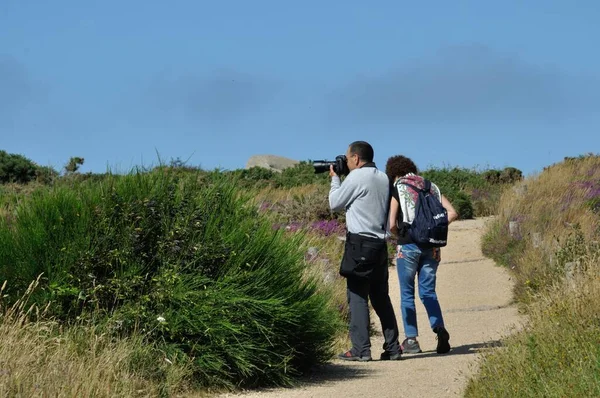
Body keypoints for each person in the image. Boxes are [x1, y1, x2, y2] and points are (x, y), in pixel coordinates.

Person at [329, 141, 401, 361]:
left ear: (356, 159)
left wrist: (335, 179)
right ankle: (393, 348)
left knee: (357, 295)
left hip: (359, 244)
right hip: (380, 245)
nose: (347, 162)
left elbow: (334, 203)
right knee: (381, 297)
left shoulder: (357, 177)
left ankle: (361, 350)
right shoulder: (383, 178)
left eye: (348, 158)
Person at [385, 155, 459, 354]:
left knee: (407, 294)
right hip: (432, 247)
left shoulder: (398, 187)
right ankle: (439, 328)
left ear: (393, 173)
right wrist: (432, 231)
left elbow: (391, 223)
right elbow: (452, 212)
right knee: (428, 293)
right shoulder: (430, 186)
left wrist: (399, 235)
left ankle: (411, 340)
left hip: (408, 246)